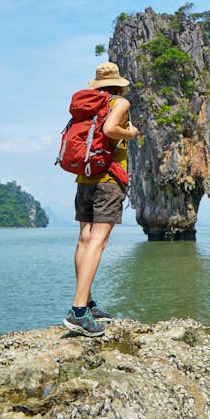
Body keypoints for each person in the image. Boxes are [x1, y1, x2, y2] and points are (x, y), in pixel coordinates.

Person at [63, 62, 138, 337]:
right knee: (98, 241)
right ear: (118, 84)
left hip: (84, 178)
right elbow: (109, 130)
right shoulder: (119, 102)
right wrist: (130, 132)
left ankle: (88, 302)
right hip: (108, 180)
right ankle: (79, 310)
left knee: (84, 239)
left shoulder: (89, 105)